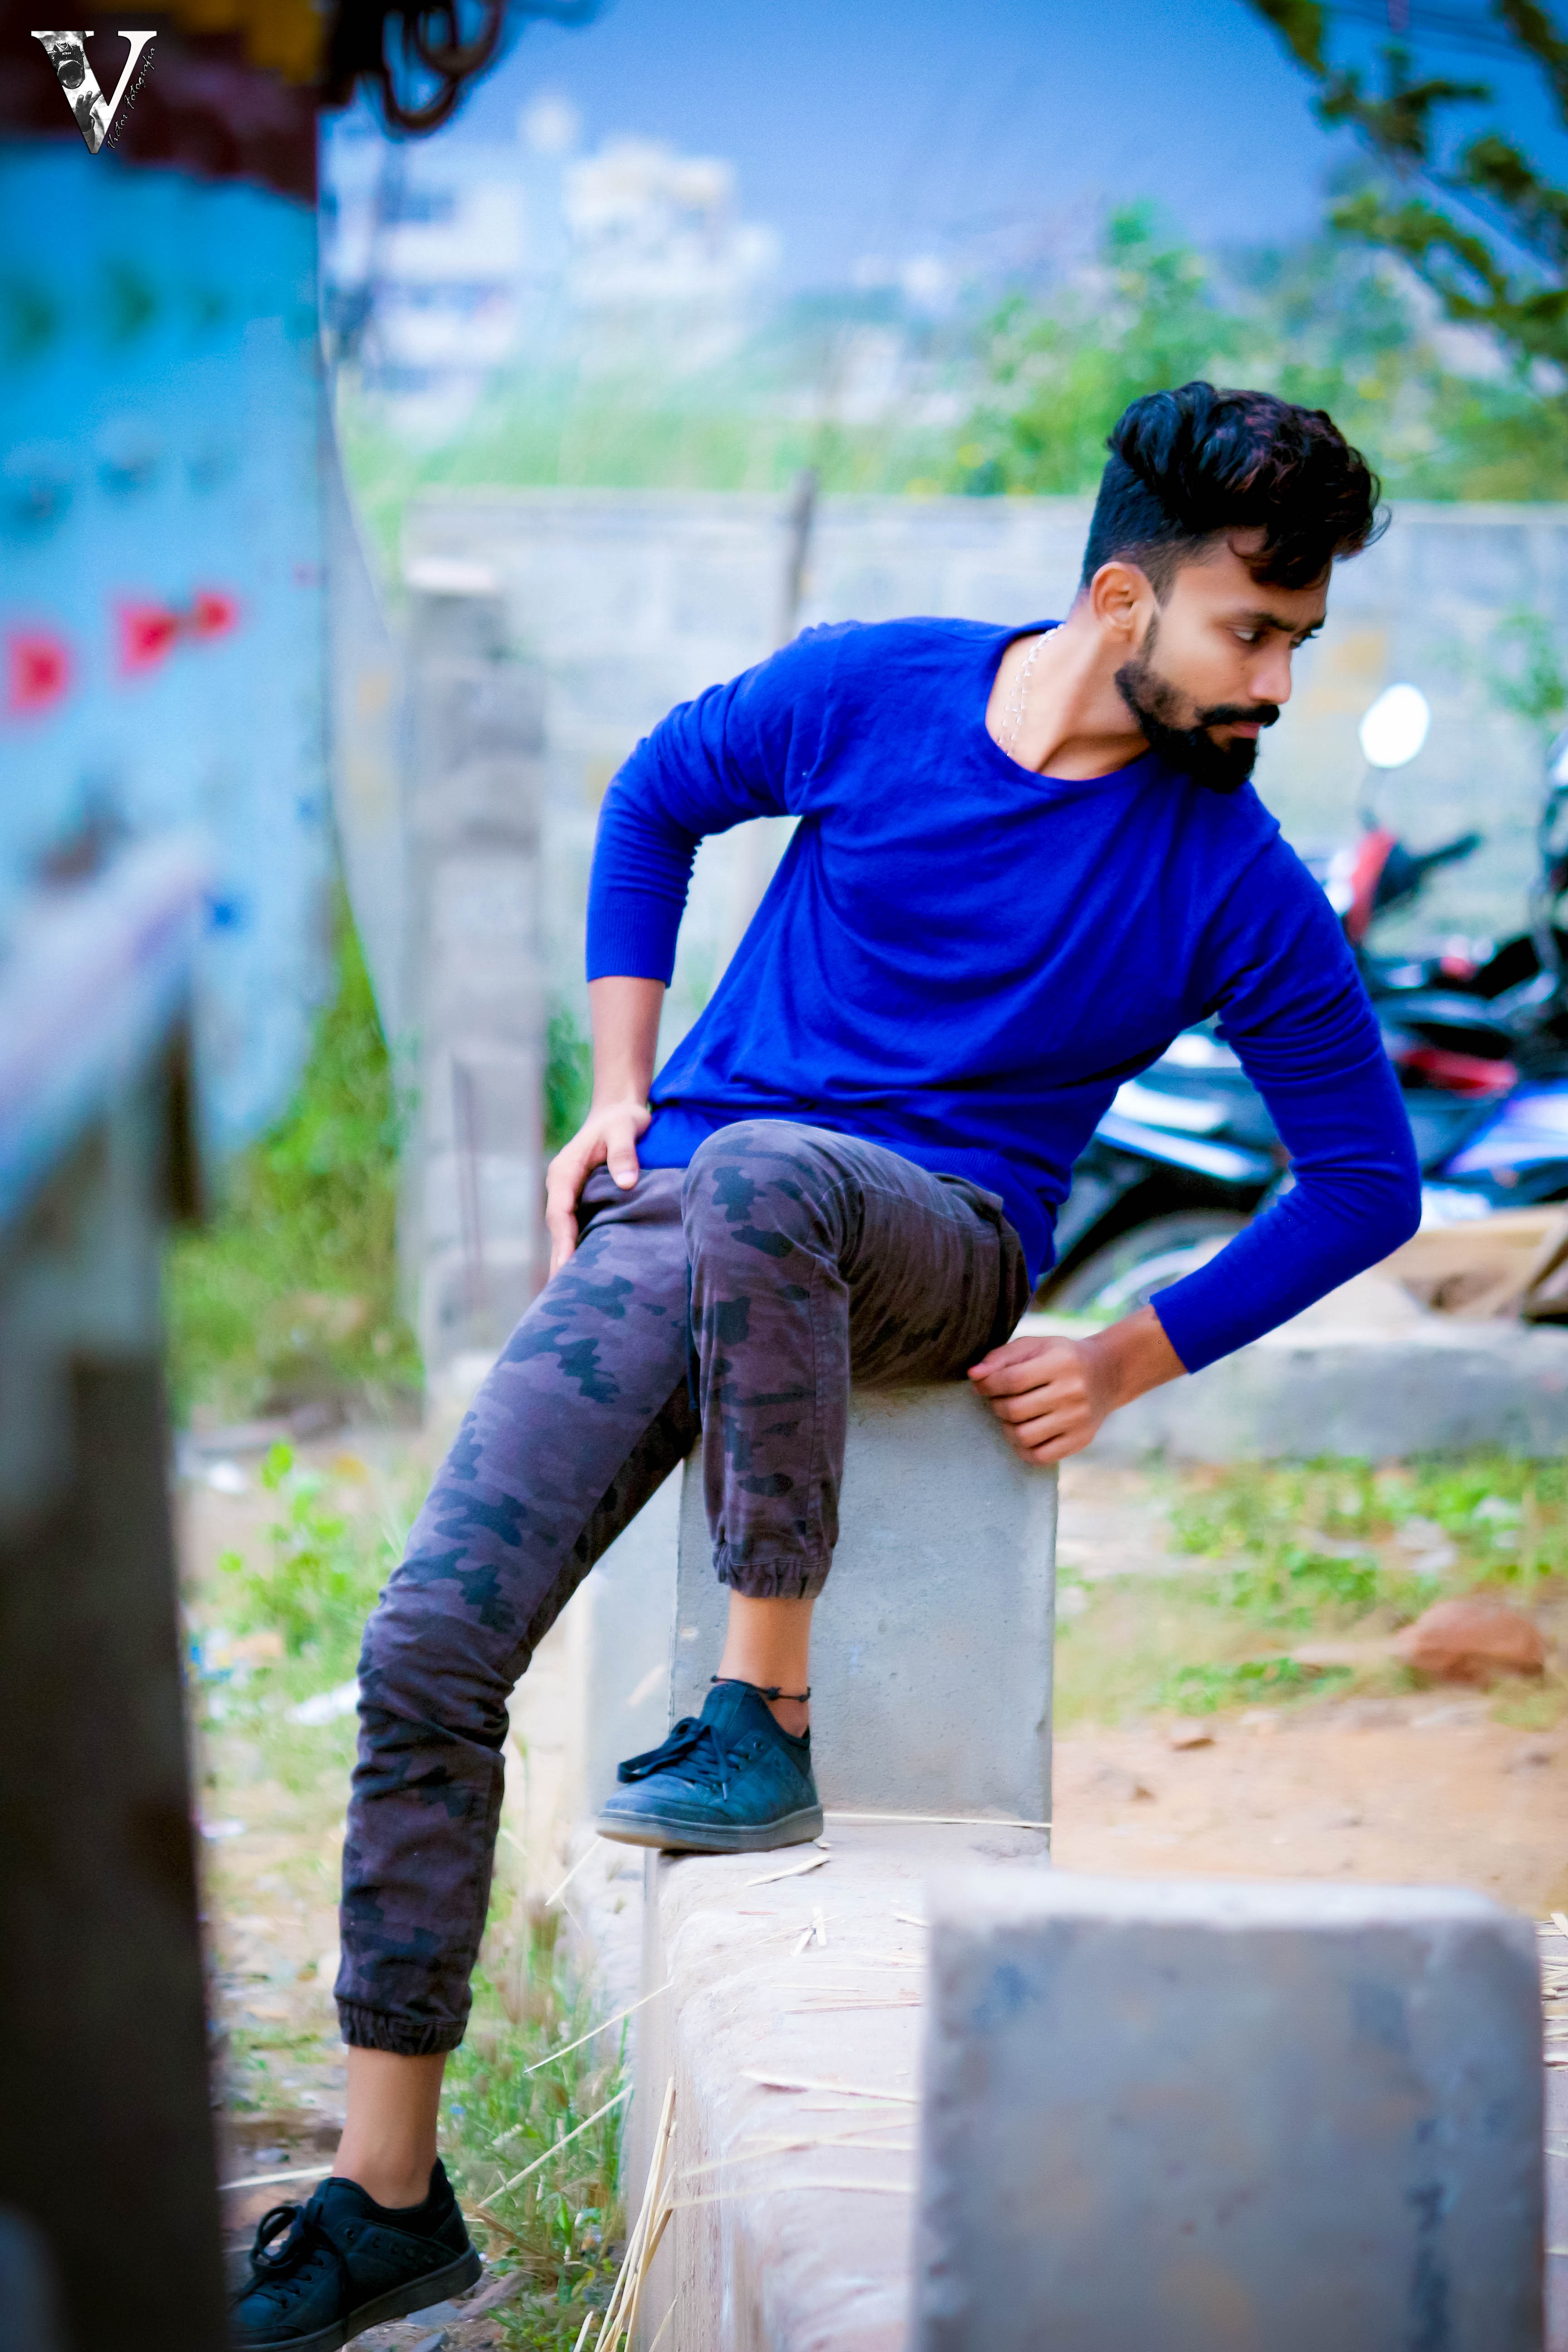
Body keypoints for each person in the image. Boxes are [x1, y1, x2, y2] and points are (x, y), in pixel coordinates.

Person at [231, 381, 1420, 2345]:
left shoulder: (1231, 873)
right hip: (688, 1210)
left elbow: (1367, 1179)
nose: (1279, 683)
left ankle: (760, 1717)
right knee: (426, 1648)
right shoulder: (876, 693)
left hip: (938, 1241)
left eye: (1298, 639)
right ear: (1123, 599)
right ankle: (386, 2198)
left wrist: (1130, 1355)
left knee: (774, 1171)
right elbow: (659, 791)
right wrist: (617, 1090)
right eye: (1255, 632)